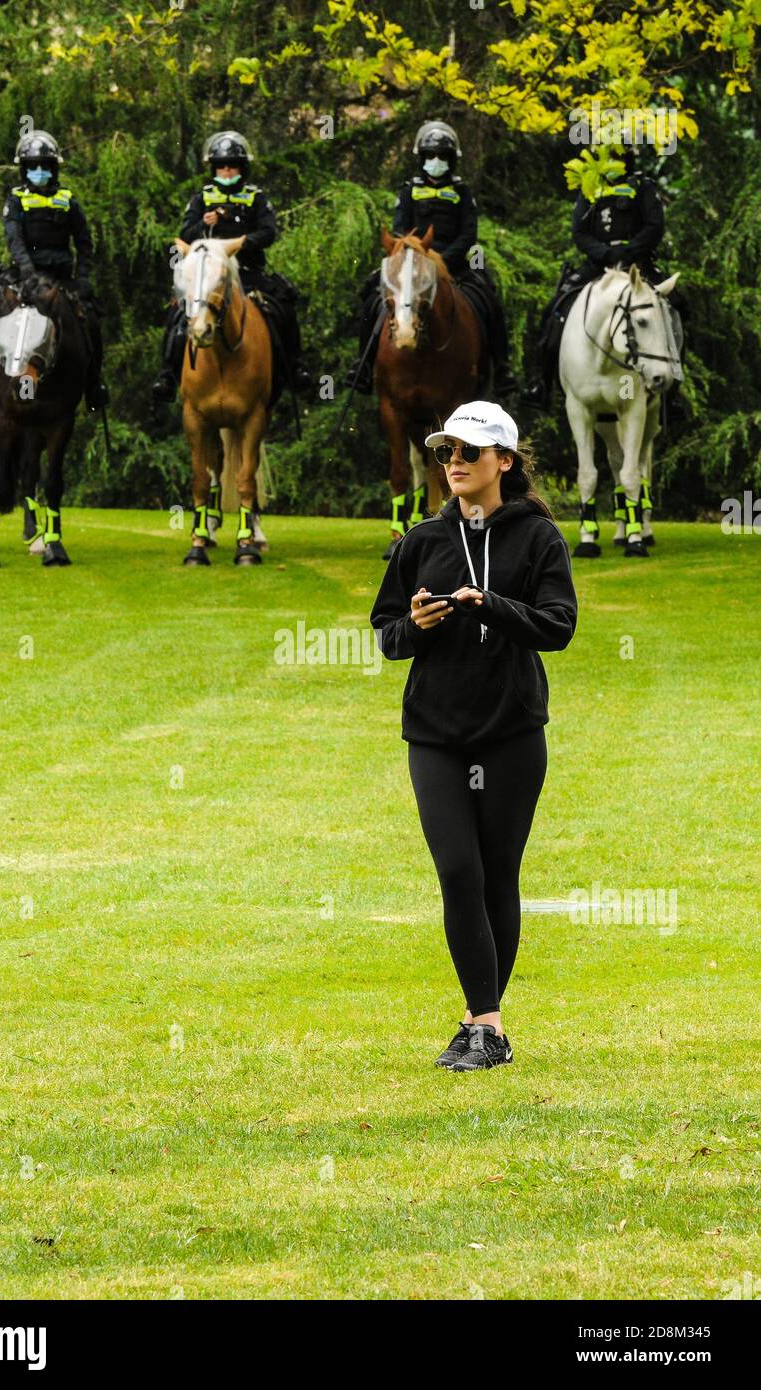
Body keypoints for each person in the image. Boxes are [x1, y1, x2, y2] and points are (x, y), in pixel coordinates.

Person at [370, 400, 577, 1071]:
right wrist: (418, 625)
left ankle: (479, 1023)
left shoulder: (538, 539)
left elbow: (557, 626)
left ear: (504, 463)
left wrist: (493, 605)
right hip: (435, 733)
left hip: (511, 732)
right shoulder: (421, 543)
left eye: (469, 452)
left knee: (496, 877)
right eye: (446, 453)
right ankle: (487, 1025)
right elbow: (386, 635)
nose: (454, 463)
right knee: (458, 871)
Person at [0, 130, 108, 410]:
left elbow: (85, 243)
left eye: (45, 166)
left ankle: (94, 383)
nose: (39, 171)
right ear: (25, 169)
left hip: (61, 278)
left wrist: (84, 277)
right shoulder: (15, 199)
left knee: (91, 320)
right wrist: (27, 270)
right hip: (24, 275)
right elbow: (14, 239)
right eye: (33, 166)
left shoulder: (68, 200)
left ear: (53, 168)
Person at [346, 121, 516, 395]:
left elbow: (468, 233)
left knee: (488, 298)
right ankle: (363, 365)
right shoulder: (409, 190)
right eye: (430, 156)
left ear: (452, 160)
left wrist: (442, 260)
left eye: (442, 156)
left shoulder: (462, 192)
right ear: (421, 158)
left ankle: (501, 366)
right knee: (372, 297)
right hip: (411, 264)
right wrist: (418, 257)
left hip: (454, 266)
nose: (436, 161)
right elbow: (400, 228)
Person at [151, 130, 311, 402]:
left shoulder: (256, 197)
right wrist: (204, 225)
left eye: (232, 165)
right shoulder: (201, 198)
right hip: (209, 276)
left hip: (248, 274)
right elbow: (185, 234)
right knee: (178, 313)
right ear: (214, 168)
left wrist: (242, 243)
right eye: (221, 166)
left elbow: (269, 232)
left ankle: (294, 368)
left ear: (242, 168)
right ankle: (167, 374)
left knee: (282, 308)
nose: (226, 171)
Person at [522, 146, 684, 409]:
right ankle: (541, 382)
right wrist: (606, 253)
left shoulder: (643, 187)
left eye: (620, 156)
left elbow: (654, 227)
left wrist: (629, 251)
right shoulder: (590, 186)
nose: (614, 161)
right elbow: (580, 231)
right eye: (610, 155)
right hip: (598, 265)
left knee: (675, 305)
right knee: (556, 308)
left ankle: (673, 389)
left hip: (637, 266)